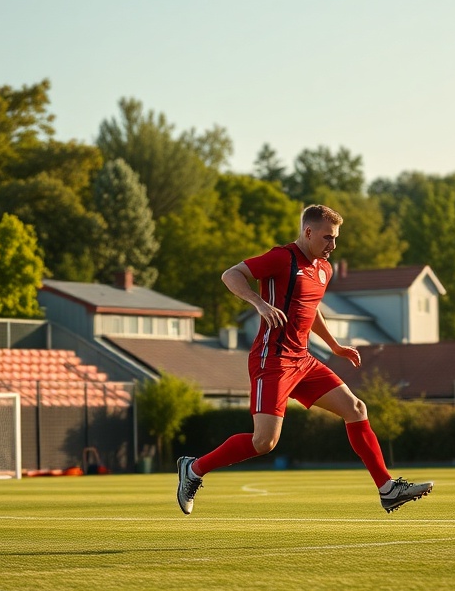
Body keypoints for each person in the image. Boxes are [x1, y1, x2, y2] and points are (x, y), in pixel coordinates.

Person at [176, 204, 433, 515]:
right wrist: (258, 303)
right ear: (308, 232)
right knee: (264, 442)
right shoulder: (281, 258)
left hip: (303, 361)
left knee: (355, 408)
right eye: (327, 238)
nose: (332, 245)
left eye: (336, 238)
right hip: (272, 360)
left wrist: (335, 346)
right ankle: (194, 469)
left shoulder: (324, 269)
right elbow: (231, 275)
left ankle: (387, 489)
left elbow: (311, 310)